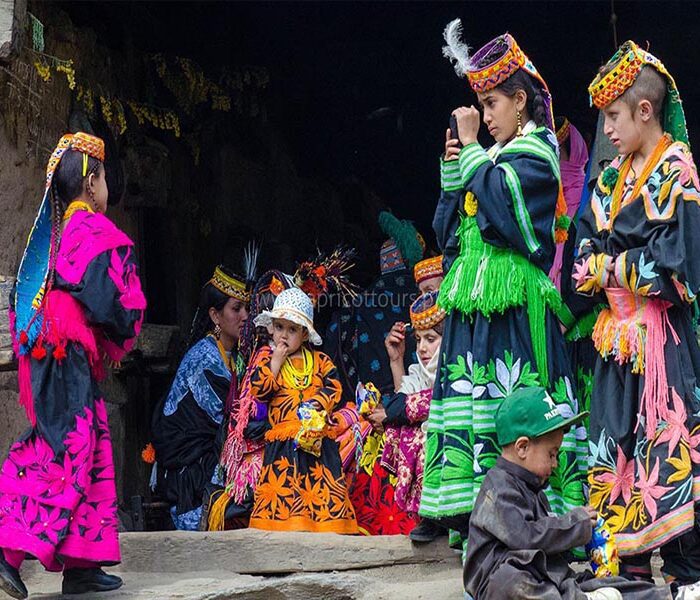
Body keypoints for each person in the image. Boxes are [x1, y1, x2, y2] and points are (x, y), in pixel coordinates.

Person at [422, 22, 586, 544]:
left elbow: (509, 222)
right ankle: (470, 515)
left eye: (491, 103)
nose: (485, 115)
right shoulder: (490, 157)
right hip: (475, 307)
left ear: (520, 101)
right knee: (472, 405)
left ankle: (531, 519)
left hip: (514, 310)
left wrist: (473, 151)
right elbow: (450, 234)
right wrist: (457, 170)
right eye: (481, 105)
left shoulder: (538, 150)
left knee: (510, 401)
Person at [574, 41, 700, 584]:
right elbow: (580, 258)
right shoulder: (608, 180)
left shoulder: (678, 171)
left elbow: (682, 267)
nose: (606, 130)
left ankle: (686, 577)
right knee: (614, 449)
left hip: (661, 343)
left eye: (613, 116)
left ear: (644, 110)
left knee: (667, 451)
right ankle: (627, 580)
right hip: (615, 344)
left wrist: (610, 267)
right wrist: (605, 267)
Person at [0, 132, 146, 598]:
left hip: (56, 351)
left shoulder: (57, 233)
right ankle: (5, 549)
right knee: (65, 446)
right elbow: (116, 305)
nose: (107, 188)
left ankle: (83, 563)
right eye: (104, 178)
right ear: (92, 181)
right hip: (65, 351)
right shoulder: (97, 233)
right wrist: (128, 321)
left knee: (91, 439)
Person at [464, 387, 697, 600]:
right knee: (512, 578)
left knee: (605, 583)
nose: (555, 463)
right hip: (501, 586)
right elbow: (525, 538)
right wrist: (576, 523)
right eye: (552, 454)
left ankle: (672, 595)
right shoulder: (498, 489)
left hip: (545, 578)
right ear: (523, 447)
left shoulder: (532, 487)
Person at [247, 287, 358, 533]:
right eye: (279, 327)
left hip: (316, 439)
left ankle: (327, 529)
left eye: (292, 329)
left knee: (321, 490)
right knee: (283, 492)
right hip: (283, 442)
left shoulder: (320, 360)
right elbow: (259, 391)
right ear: (271, 328)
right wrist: (276, 362)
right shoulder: (266, 360)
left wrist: (318, 402)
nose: (284, 335)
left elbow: (334, 387)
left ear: (305, 334)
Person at [151, 266, 250, 530]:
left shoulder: (236, 356)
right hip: (190, 469)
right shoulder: (204, 358)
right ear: (215, 315)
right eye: (236, 309)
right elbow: (235, 421)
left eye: (247, 309)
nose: (245, 316)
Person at [350, 290, 445, 536]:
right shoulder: (420, 374)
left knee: (413, 434)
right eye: (419, 339)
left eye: (431, 339)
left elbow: (415, 406)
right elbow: (404, 402)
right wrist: (396, 361)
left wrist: (391, 414)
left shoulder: (455, 373)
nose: (422, 348)